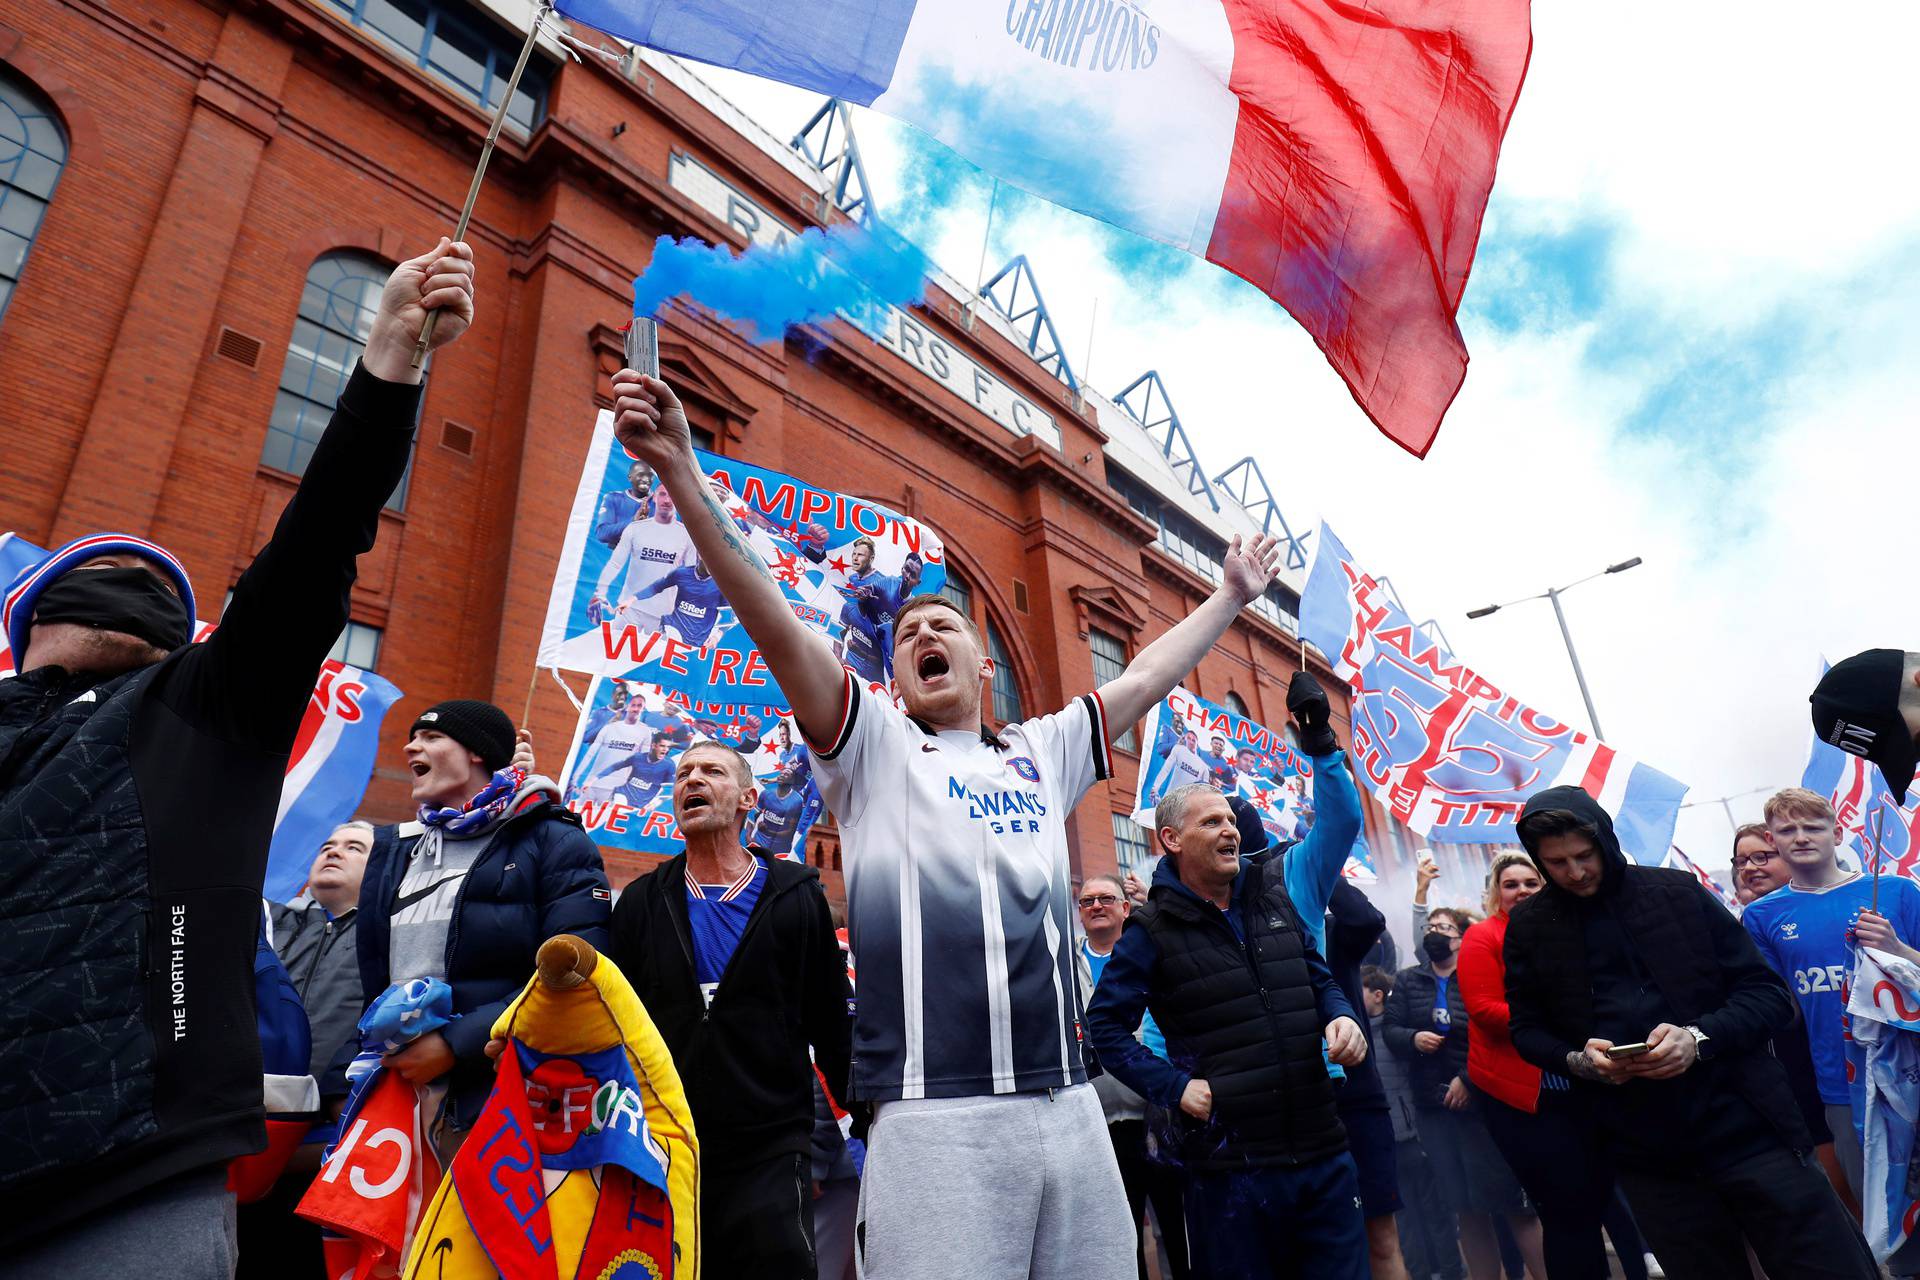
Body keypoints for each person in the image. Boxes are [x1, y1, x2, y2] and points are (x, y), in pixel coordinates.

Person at [609, 366, 1286, 1277]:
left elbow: (1142, 678)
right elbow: (771, 618)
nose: (926, 636)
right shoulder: (872, 747)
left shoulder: (1042, 750)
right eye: (906, 635)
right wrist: (687, 479)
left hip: (1073, 1105)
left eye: (944, 626)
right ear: (890, 678)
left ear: (983, 664)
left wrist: (1233, 596)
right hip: (934, 1117)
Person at [0, 239, 473, 1272]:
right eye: (97, 573)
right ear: (24, 625)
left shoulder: (203, 709)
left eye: (147, 580)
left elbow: (313, 552)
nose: (121, 578)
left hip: (126, 1179)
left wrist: (391, 356)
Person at [1506, 786, 1878, 1279]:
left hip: (1750, 1129)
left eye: (1584, 855)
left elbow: (1768, 996)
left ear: (1605, 841)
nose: (1575, 873)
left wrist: (1698, 1039)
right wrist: (1576, 1059)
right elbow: (1527, 1029)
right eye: (1557, 863)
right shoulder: (1531, 927)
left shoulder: (1676, 893)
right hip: (1647, 1156)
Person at [1087, 783, 1372, 1279]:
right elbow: (1105, 1028)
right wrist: (1174, 1088)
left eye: (1231, 821)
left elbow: (1317, 977)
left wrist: (1341, 1016)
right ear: (1172, 839)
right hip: (1231, 1173)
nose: (1230, 831)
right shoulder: (1150, 930)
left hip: (1323, 1152)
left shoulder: (1274, 900)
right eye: (1212, 822)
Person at [604, 740, 853, 1278]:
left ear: (747, 798)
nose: (692, 780)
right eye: (683, 774)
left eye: (711, 771)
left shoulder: (796, 896)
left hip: (771, 1143)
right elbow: (614, 1026)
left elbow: (830, 1019)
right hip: (665, 1141)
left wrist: (853, 1126)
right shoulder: (643, 900)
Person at [355, 698, 610, 1162]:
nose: (412, 745)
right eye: (414, 737)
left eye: (432, 737)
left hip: (495, 1100)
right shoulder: (396, 849)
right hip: (393, 1098)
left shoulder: (553, 841)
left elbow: (575, 973)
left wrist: (456, 1045)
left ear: (476, 752)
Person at [1460, 852, 1649, 1280]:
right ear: (1496, 893)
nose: (1522, 891)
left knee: (1604, 1196)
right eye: (1511, 884)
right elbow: (1484, 1009)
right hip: (1522, 1095)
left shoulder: (1565, 930)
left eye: (1531, 882)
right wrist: (1559, 1022)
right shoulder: (1482, 937)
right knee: (1565, 1208)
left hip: (1583, 1085)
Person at [1741, 787, 1920, 1212]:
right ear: (1774, 841)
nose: (1801, 836)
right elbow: (1780, 1006)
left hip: (1911, 1067)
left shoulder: (1896, 892)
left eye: (1812, 826)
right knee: (1885, 1215)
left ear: (1837, 833)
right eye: (1787, 829)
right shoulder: (1761, 916)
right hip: (1842, 1085)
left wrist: (1898, 949)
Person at [1385, 902, 1544, 1280]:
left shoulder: (1476, 972)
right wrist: (1412, 1037)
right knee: (1466, 1211)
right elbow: (1391, 1030)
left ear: (1462, 937)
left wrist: (1468, 1078)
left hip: (1482, 1106)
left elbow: (1493, 1032)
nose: (1435, 935)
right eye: (1430, 930)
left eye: (1444, 928)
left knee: (1514, 1205)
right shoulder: (1409, 981)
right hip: (1434, 1109)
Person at [1075, 873, 1188, 1280]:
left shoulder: (1151, 952)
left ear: (1126, 908)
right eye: (1087, 901)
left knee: (1177, 1227)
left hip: (1159, 1116)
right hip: (1099, 1126)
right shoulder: (1064, 966)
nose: (1096, 906)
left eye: (1106, 898)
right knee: (1122, 1235)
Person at [1364, 967, 1465, 1280]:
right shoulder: (1360, 1036)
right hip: (1388, 1141)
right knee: (1405, 1217)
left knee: (1436, 1210)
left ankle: (1451, 1271)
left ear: (1378, 995)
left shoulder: (1400, 1034)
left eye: (1362, 989)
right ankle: (1420, 1273)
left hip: (1415, 1134)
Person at [590, 482, 691, 633]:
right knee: (611, 654)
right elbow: (615, 564)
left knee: (652, 657)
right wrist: (599, 594)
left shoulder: (687, 536)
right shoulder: (635, 529)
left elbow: (691, 577)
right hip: (629, 609)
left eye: (673, 496)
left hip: (663, 614)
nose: (667, 500)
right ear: (654, 497)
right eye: (663, 494)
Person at [569, 695, 656, 805]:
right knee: (576, 816)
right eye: (633, 705)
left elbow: (643, 762)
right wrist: (575, 778)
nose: (635, 708)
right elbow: (590, 754)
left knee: (600, 821)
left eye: (639, 706)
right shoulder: (609, 728)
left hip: (615, 788)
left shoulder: (645, 731)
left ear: (643, 708)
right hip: (592, 784)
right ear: (628, 706)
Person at [594, 460, 655, 547]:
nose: (646, 479)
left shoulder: (659, 502)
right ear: (630, 477)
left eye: (650, 475)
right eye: (641, 475)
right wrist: (633, 520)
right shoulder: (613, 498)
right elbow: (602, 534)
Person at [1148, 728, 1210, 804]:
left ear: (1197, 744)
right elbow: (1166, 769)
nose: (1191, 741)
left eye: (1193, 740)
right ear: (1185, 739)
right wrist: (1155, 788)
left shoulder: (1203, 766)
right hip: (1169, 799)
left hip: (1187, 806)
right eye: (1189, 738)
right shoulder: (1179, 749)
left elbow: (1204, 791)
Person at [1730, 822, 1785, 907]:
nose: (1748, 868)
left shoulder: (1811, 902)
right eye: (1742, 862)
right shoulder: (1751, 917)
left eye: (1760, 858)